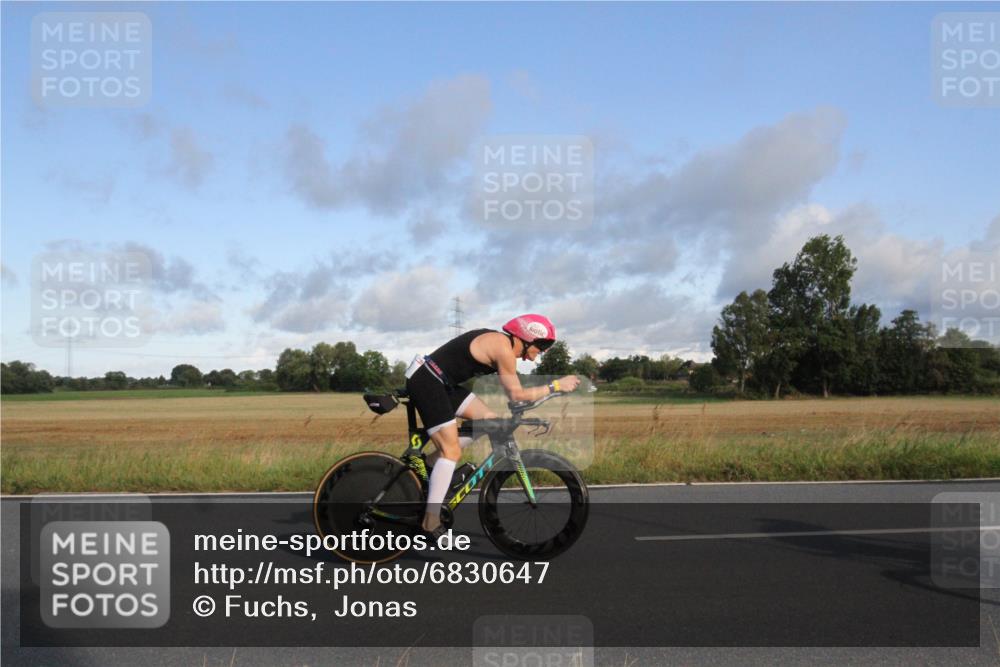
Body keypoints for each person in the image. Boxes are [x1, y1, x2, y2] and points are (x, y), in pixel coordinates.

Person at [405, 314, 581, 535]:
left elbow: (515, 395)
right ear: (528, 337)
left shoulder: (501, 344)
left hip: (442, 382)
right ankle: (430, 522)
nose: (534, 358)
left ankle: (431, 469)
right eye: (539, 348)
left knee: (489, 421)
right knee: (451, 451)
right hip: (427, 381)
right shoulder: (503, 349)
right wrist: (555, 386)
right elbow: (517, 394)